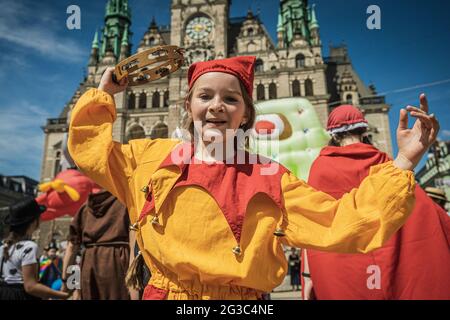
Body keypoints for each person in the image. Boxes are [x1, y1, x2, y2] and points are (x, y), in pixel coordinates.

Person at [67, 56, 439, 300]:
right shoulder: (150, 157)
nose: (216, 106)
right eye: (205, 96)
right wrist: (104, 92)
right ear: (189, 105)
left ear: (246, 114)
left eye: (231, 99)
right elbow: (91, 151)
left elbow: (344, 223)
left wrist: (405, 159)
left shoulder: (270, 177)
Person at [301, 105, 450, 300]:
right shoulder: (387, 163)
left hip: (340, 266)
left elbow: (312, 223)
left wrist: (307, 274)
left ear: (334, 135)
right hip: (388, 263)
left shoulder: (320, 167)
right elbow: (420, 209)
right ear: (364, 131)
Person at [61, 189, 131, 300]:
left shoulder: (84, 208)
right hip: (118, 261)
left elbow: (71, 248)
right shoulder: (126, 202)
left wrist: (66, 281)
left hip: (89, 262)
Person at [0, 198, 69, 300]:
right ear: (33, 221)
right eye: (39, 216)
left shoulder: (3, 247)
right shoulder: (29, 247)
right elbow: (31, 287)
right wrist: (63, 295)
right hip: (22, 296)